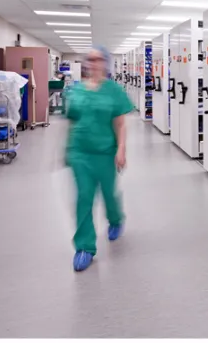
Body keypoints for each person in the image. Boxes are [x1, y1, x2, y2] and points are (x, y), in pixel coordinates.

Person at [65, 46, 133, 272]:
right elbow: (72, 121)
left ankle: (115, 219)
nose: (94, 63)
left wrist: (121, 149)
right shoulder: (77, 91)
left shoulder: (114, 91)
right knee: (84, 197)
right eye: (90, 59)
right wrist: (66, 150)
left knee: (108, 193)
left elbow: (120, 123)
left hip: (105, 151)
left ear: (106, 62)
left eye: (98, 59)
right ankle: (84, 247)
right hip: (80, 152)